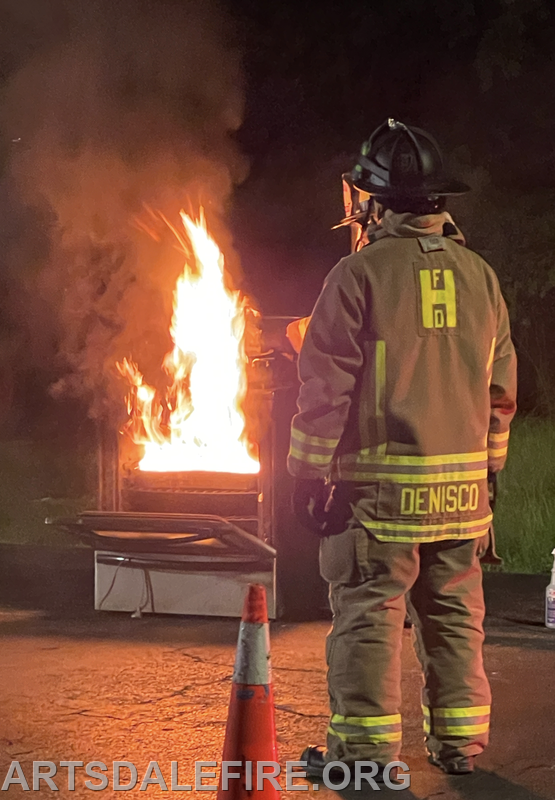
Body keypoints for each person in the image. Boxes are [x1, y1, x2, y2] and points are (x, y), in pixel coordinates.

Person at [288, 118, 517, 777]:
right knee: (452, 621)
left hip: (379, 500)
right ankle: (459, 747)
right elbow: (498, 388)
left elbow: (323, 383)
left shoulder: (355, 275)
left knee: (367, 617)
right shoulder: (481, 278)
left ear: (375, 201)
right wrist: (489, 468)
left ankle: (361, 758)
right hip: (463, 498)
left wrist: (306, 473)